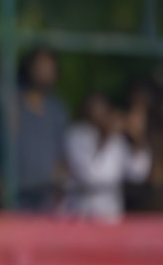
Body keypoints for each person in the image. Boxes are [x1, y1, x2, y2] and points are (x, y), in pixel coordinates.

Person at [64, 92, 150, 222]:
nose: (100, 112)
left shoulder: (117, 139)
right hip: (82, 212)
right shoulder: (76, 135)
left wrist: (137, 139)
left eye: (103, 108)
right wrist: (107, 136)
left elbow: (138, 173)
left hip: (110, 213)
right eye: (95, 107)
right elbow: (90, 175)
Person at [13, 48, 69, 212]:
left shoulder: (57, 108)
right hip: (17, 193)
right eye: (40, 66)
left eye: (50, 68)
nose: (45, 72)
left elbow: (61, 151)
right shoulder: (12, 103)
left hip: (47, 195)